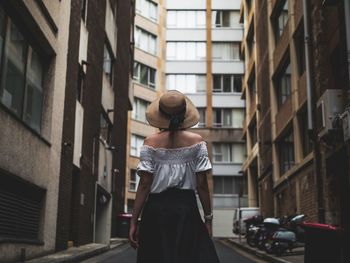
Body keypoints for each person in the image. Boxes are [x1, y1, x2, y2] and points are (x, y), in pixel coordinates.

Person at [129, 90, 220, 263]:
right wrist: (208, 219)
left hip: (155, 211)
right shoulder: (197, 142)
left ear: (160, 115)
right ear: (185, 114)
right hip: (186, 210)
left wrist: (134, 220)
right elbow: (202, 185)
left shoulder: (150, 143)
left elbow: (144, 185)